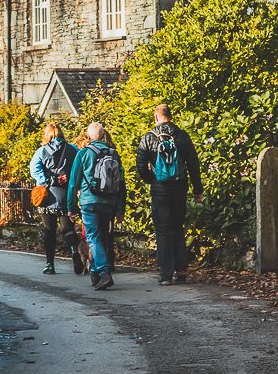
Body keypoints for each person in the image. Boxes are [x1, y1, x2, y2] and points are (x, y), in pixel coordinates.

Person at [136, 103, 203, 285]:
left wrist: (152, 180)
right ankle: (181, 270)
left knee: (163, 231)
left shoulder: (148, 138)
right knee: (178, 228)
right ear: (171, 116)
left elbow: (140, 166)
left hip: (160, 190)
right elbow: (193, 165)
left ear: (156, 117)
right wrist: (198, 190)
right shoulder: (182, 136)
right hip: (179, 188)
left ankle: (166, 275)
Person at [67, 121, 126, 290]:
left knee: (93, 237)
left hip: (89, 201)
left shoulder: (84, 153)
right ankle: (94, 273)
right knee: (101, 237)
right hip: (109, 202)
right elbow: (121, 184)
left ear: (89, 136)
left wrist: (71, 207)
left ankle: (105, 272)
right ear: (103, 134)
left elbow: (73, 183)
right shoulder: (114, 154)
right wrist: (120, 209)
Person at [29, 123, 82, 275]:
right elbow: (78, 169)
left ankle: (50, 264)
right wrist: (70, 180)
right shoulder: (73, 149)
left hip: (47, 197)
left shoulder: (41, 151)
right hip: (66, 195)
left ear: (47, 135)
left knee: (49, 231)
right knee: (68, 228)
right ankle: (74, 252)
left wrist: (49, 179)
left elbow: (35, 170)